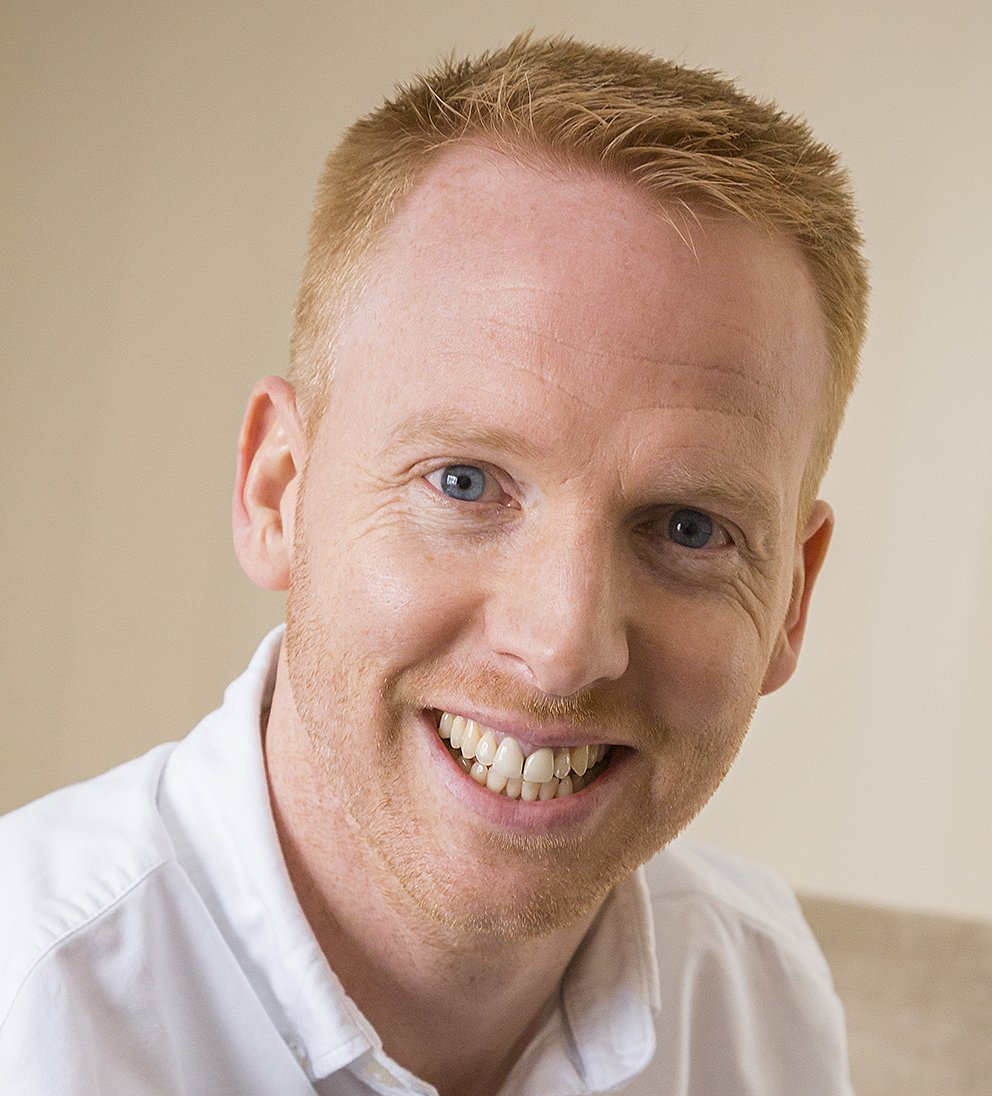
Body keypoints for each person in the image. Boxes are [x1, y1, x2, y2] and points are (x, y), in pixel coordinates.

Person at [0, 34, 867, 1096]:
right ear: (278, 489)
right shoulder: (26, 1014)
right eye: (463, 482)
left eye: (687, 527)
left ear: (791, 601)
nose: (561, 648)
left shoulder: (755, 997)